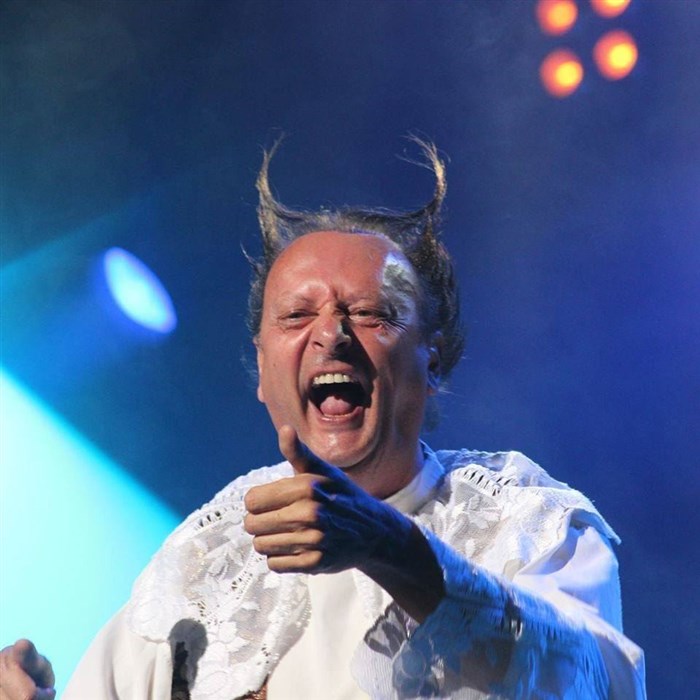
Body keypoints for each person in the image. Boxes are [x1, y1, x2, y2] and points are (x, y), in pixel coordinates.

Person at [0, 142, 646, 699]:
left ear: (432, 361)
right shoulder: (207, 555)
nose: (331, 335)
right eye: (296, 316)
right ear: (262, 372)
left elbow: (594, 680)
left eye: (370, 313)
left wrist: (391, 547)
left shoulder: (527, 523)